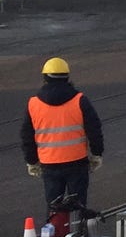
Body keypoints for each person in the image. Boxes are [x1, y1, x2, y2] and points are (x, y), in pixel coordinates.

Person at [22, 57, 104, 213]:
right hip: (77, 163)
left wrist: (31, 161)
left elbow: (27, 136)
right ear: (67, 77)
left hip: (49, 164)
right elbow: (94, 129)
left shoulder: (33, 103)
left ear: (45, 77)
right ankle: (79, 227)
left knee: (54, 209)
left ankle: (55, 228)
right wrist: (96, 154)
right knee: (78, 207)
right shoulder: (79, 100)